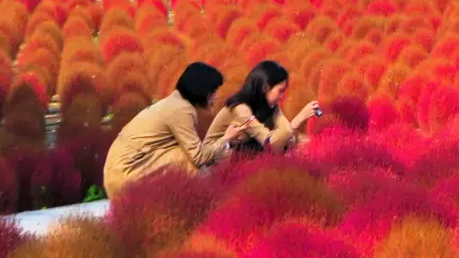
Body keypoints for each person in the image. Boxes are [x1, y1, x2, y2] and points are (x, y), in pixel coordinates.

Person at [103, 63, 243, 199]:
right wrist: (226, 138)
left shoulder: (174, 104)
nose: (216, 97)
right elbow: (198, 158)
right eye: (213, 92)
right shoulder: (182, 110)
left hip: (117, 177)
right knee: (186, 160)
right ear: (202, 90)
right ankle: (214, 202)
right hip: (125, 178)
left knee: (208, 156)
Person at [205, 60, 317, 156]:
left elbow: (286, 135)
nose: (282, 96)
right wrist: (299, 119)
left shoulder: (271, 106)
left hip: (242, 152)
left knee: (298, 145)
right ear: (265, 88)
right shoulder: (241, 110)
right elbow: (270, 143)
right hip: (216, 160)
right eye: (280, 91)